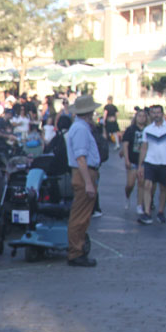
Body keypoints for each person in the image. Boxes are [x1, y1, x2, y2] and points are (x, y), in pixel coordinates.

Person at [64, 96, 101, 267]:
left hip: (83, 172)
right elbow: (80, 158)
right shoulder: (80, 129)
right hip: (83, 173)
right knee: (80, 216)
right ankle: (76, 251)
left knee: (82, 215)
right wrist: (88, 182)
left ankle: (76, 249)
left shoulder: (80, 127)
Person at [137, 105, 166, 225]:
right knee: (147, 185)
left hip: (165, 162)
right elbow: (144, 148)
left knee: (163, 187)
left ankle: (161, 212)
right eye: (154, 113)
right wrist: (141, 165)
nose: (156, 115)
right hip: (150, 162)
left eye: (158, 112)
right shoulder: (148, 130)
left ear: (162, 113)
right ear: (150, 115)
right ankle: (147, 212)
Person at [121, 110, 148, 213]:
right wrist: (126, 159)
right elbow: (125, 145)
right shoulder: (131, 129)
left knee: (141, 183)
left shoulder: (147, 130)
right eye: (139, 116)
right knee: (130, 184)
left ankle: (139, 205)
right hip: (132, 160)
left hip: (144, 161)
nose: (141, 118)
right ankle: (127, 196)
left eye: (143, 116)